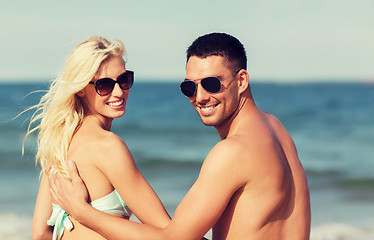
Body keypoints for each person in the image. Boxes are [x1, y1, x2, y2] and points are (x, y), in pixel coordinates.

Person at [50, 32, 311, 239]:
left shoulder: (232, 152)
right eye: (189, 87)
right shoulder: (276, 129)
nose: (199, 97)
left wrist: (81, 212)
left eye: (211, 84)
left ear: (241, 80)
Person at [27, 36, 171, 240]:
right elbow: (169, 233)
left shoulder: (60, 143)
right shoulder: (108, 146)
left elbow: (41, 233)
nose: (119, 91)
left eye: (124, 80)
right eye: (104, 85)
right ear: (80, 89)